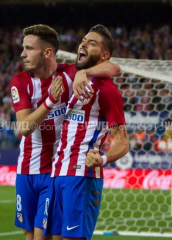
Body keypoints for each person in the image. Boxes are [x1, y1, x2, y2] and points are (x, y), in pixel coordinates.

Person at [10, 24, 120, 240]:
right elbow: (24, 128)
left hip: (55, 170)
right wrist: (50, 100)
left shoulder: (71, 73)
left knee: (50, 236)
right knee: (30, 236)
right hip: (27, 168)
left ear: (47, 52)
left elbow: (113, 68)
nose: (23, 54)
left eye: (29, 48)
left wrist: (85, 72)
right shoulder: (21, 81)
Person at [44, 24, 129, 240]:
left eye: (92, 43)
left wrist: (103, 158)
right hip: (57, 174)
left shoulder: (107, 90)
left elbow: (123, 141)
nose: (83, 44)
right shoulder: (75, 80)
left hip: (82, 175)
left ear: (104, 55)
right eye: (83, 40)